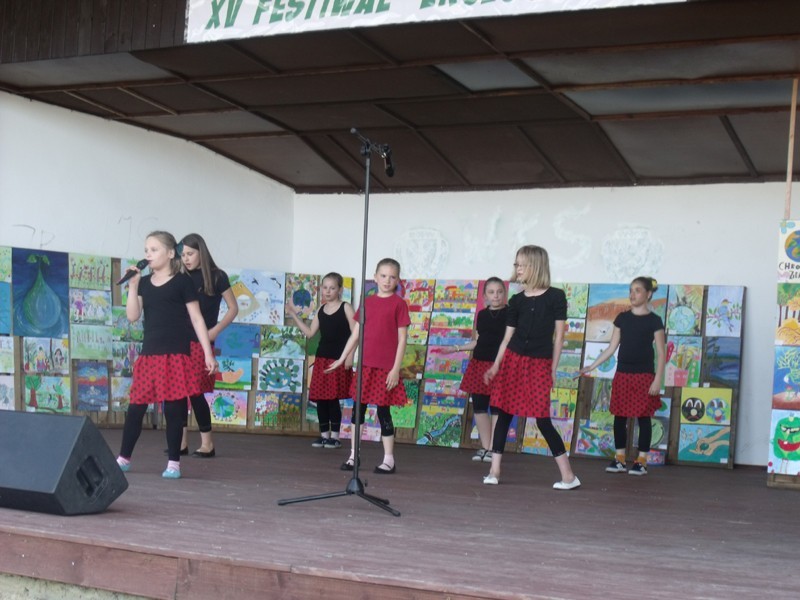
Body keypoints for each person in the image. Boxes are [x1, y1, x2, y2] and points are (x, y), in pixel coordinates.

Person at [116, 231, 216, 479]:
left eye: (154, 249)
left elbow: (196, 318)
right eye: (146, 250)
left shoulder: (183, 282)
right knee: (136, 408)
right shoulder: (146, 283)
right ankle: (123, 457)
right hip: (150, 355)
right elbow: (132, 315)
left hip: (176, 355)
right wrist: (133, 285)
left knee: (174, 410)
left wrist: (207, 354)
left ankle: (174, 462)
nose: (148, 254)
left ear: (171, 253)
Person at [483, 245, 580, 490]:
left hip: (539, 363)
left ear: (534, 266)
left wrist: (553, 369)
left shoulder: (556, 297)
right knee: (504, 413)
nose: (517, 268)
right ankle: (494, 469)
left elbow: (558, 337)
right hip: (513, 361)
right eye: (516, 264)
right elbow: (507, 338)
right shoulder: (516, 301)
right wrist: (496, 366)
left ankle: (568, 476)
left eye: (520, 264)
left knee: (542, 417)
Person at [326, 258, 410, 474]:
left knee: (384, 412)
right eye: (383, 276)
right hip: (365, 367)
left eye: (392, 277)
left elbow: (402, 340)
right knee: (357, 411)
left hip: (385, 369)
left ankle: (389, 459)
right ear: (375, 277)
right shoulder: (367, 303)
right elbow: (356, 334)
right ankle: (354, 456)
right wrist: (342, 357)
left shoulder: (399, 304)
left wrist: (395, 369)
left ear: (398, 280)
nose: (387, 280)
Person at [578, 276, 666, 476]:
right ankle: (619, 458)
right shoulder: (622, 318)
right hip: (623, 375)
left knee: (644, 418)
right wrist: (591, 366)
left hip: (644, 376)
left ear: (648, 294)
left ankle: (641, 460)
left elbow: (661, 353)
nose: (632, 294)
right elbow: (611, 348)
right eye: (631, 290)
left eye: (637, 290)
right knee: (620, 416)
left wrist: (657, 379)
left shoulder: (655, 321)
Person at [178, 233, 238, 458]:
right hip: (180, 340)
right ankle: (181, 443)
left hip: (200, 341)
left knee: (194, 392)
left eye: (190, 254)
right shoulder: (181, 277)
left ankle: (207, 443)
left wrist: (214, 331)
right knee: (178, 393)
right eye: (183, 254)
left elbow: (233, 308)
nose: (186, 258)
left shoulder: (217, 276)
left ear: (201, 252)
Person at [287, 272, 356, 449]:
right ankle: (324, 435)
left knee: (333, 399)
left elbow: (356, 334)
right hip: (321, 358)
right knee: (320, 398)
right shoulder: (320, 310)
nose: (328, 291)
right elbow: (310, 333)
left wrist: (349, 356)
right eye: (325, 287)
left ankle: (335, 436)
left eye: (332, 288)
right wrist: (294, 315)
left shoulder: (346, 307)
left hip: (338, 360)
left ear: (340, 289)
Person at [447, 277, 507, 463]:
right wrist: (457, 348)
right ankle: (485, 446)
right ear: (485, 295)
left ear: (504, 294)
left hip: (500, 366)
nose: (495, 296)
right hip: (479, 365)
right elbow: (477, 341)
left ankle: (495, 450)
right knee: (480, 408)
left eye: (499, 292)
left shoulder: (511, 314)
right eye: (491, 292)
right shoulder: (481, 315)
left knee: (497, 408)